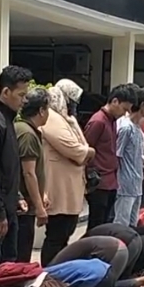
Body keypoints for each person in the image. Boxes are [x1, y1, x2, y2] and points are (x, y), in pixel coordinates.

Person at [0, 65, 32, 268]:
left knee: (8, 263)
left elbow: (9, 166)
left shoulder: (6, 119)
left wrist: (17, 196)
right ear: (5, 92)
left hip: (8, 206)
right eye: (21, 95)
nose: (24, 100)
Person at [41, 79, 93, 265]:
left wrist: (85, 150)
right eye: (72, 100)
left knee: (64, 235)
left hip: (70, 188)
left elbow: (83, 145)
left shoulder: (66, 119)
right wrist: (87, 152)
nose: (74, 106)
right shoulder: (52, 118)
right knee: (56, 236)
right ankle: (49, 273)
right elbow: (76, 150)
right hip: (58, 188)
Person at [85, 84, 137, 230]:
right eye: (124, 109)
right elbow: (86, 150)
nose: (125, 114)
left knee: (105, 225)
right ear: (115, 101)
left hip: (110, 181)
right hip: (99, 182)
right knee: (96, 226)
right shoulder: (98, 121)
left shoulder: (112, 121)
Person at [15, 87, 50, 263]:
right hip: (24, 207)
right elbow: (28, 173)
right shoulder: (27, 134)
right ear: (41, 110)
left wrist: (42, 194)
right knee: (21, 254)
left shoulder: (28, 130)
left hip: (27, 204)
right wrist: (39, 208)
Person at [114, 87, 144, 227]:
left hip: (136, 183)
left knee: (133, 223)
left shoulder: (139, 130)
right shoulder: (125, 128)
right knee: (121, 223)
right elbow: (118, 155)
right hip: (125, 184)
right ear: (142, 105)